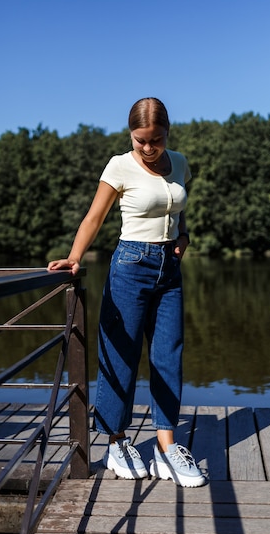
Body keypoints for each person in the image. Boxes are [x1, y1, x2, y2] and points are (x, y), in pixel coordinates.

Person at [48, 97, 205, 487]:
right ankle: (117, 441)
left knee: (169, 353)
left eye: (157, 140)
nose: (149, 149)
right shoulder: (119, 165)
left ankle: (167, 448)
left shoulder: (181, 162)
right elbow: (95, 216)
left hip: (170, 269)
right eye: (141, 141)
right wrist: (74, 257)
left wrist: (182, 235)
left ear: (167, 133)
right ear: (130, 135)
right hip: (131, 266)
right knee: (121, 353)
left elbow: (178, 208)